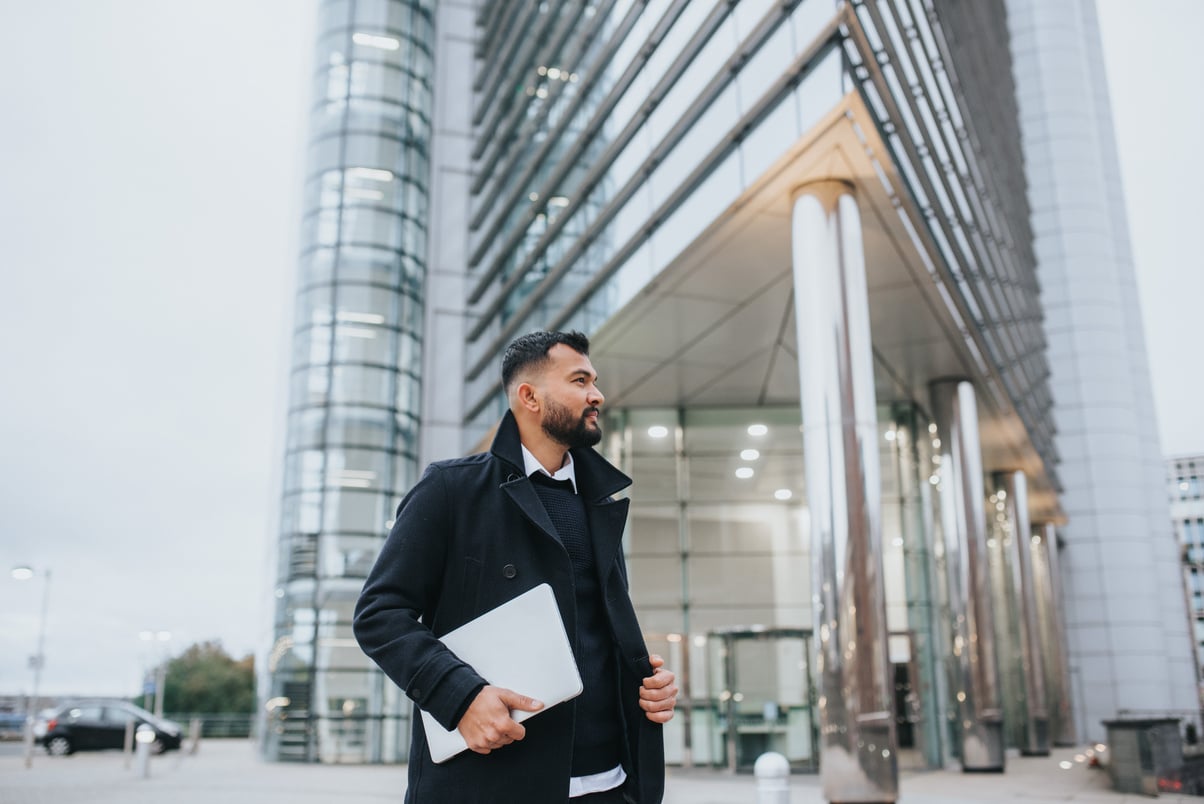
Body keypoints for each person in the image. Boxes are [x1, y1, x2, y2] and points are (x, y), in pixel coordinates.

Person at [354, 330, 678, 803]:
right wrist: (460, 696)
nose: (598, 395)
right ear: (529, 396)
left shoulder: (599, 501)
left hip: (611, 785)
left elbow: (595, 634)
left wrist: (646, 689)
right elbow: (380, 615)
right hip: (492, 783)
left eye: (595, 380)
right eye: (580, 380)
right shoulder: (451, 490)